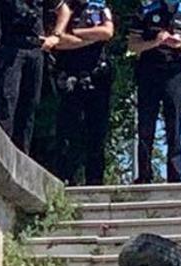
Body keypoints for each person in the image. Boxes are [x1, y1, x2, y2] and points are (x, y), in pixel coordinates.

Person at [128, 0, 181, 184]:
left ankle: (175, 175)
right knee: (146, 125)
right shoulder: (146, 11)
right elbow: (133, 45)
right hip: (149, 71)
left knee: (175, 124)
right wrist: (156, 42)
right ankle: (144, 174)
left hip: (175, 74)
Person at [0, 0, 72, 155]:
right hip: (10, 47)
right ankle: (1, 152)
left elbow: (64, 10)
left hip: (35, 50)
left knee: (30, 105)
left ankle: (22, 155)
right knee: (6, 100)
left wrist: (55, 36)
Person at [51, 0, 116, 185]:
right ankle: (66, 177)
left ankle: (95, 180)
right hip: (70, 76)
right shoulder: (63, 8)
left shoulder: (100, 7)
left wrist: (75, 34)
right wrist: (91, 37)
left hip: (97, 77)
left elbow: (107, 32)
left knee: (96, 132)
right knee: (68, 131)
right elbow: (57, 42)